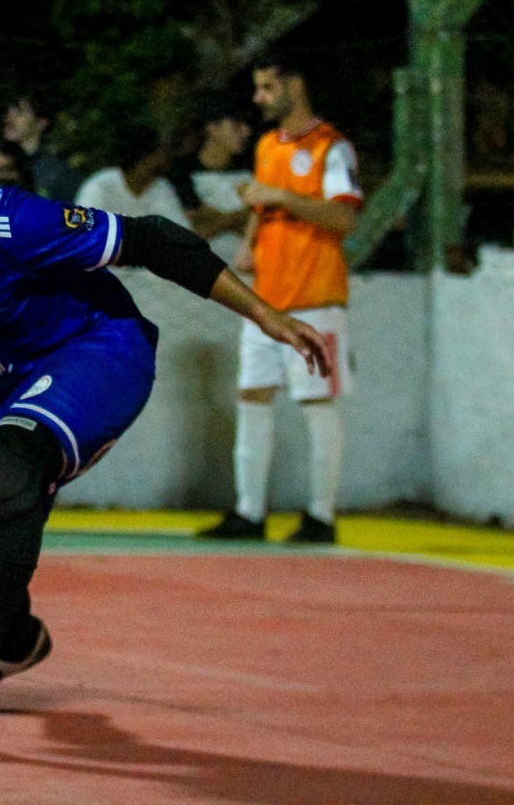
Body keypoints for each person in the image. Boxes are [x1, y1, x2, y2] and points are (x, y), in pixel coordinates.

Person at [0, 89, 332, 756]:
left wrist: (263, 314)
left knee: (7, 469)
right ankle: (15, 643)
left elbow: (154, 239)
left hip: (93, 348)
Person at [198, 50, 361, 544]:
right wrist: (249, 246)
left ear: (297, 83)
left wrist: (281, 199)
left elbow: (344, 218)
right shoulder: (268, 145)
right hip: (265, 300)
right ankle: (249, 512)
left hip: (316, 297)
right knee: (253, 398)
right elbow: (263, 205)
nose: (259, 97)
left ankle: (322, 516)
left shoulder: (333, 148)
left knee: (317, 403)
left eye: (268, 86)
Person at [168, 97, 254, 263]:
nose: (246, 131)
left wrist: (216, 221)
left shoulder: (250, 169)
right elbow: (192, 226)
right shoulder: (182, 173)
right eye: (237, 126)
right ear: (213, 129)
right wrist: (242, 216)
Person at [73, 122, 191, 227]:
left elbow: (180, 233)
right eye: (158, 152)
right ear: (144, 158)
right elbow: (81, 233)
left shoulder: (161, 188)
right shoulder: (100, 186)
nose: (164, 158)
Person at [0, 92, 80, 202]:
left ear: (41, 123)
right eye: (10, 111)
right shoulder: (1, 160)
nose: (10, 117)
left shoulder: (56, 170)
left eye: (20, 112)